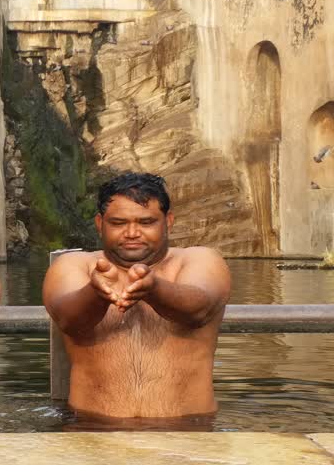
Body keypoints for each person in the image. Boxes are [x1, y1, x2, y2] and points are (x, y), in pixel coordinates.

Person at [43, 173, 231, 418]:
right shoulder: (73, 265)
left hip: (190, 428)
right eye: (119, 223)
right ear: (100, 223)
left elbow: (198, 309)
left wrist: (154, 289)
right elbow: (69, 320)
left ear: (168, 221)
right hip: (93, 429)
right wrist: (96, 293)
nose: (132, 233)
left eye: (146, 222)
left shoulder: (201, 259)